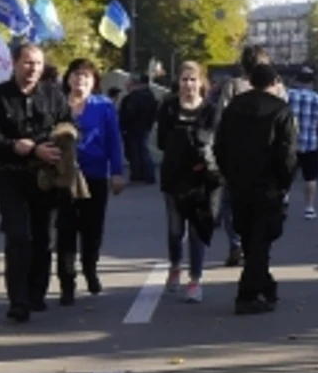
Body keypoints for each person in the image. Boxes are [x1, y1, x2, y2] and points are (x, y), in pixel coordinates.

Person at [0, 42, 71, 322]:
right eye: (28, 62)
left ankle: (36, 293)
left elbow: (67, 125)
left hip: (45, 178)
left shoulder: (53, 94)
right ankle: (18, 300)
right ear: (15, 63)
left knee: (42, 238)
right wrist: (15, 146)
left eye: (38, 63)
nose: (33, 68)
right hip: (12, 176)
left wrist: (61, 142)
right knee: (18, 236)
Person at [215, 61, 299, 314]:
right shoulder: (281, 110)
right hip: (268, 184)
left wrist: (229, 173)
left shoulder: (234, 107)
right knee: (262, 239)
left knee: (249, 237)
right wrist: (285, 182)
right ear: (274, 83)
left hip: (239, 182)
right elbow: (287, 151)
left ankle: (266, 286)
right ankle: (248, 294)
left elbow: (220, 145)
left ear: (250, 81)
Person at [55, 58, 127, 305]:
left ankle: (90, 267)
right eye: (76, 74)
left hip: (95, 174)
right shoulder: (58, 104)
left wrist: (116, 172)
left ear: (94, 81)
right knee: (65, 230)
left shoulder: (104, 106)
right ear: (68, 78)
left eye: (86, 75)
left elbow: (113, 141)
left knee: (92, 229)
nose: (80, 80)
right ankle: (67, 282)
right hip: (64, 176)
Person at [156, 61, 221, 304]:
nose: (188, 84)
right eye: (184, 79)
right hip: (174, 176)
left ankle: (195, 279)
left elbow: (214, 139)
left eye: (193, 79)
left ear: (201, 82)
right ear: (178, 82)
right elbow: (161, 141)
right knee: (175, 230)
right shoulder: (169, 107)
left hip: (200, 178)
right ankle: (175, 266)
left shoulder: (210, 110)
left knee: (197, 230)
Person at [285, 66, 318, 220]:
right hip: (311, 143)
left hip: (289, 143)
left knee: (286, 174)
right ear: (312, 82)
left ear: (297, 79)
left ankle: (284, 199)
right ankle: (309, 207)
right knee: (310, 178)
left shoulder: (287, 96)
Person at [118, 67, 162, 185]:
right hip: (144, 125)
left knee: (137, 151)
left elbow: (129, 113)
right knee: (141, 150)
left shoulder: (133, 97)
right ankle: (143, 174)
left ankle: (141, 174)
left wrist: (124, 124)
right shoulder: (150, 95)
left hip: (133, 127)